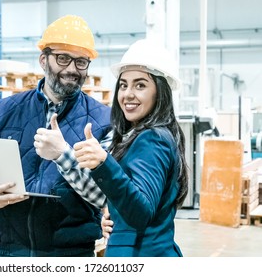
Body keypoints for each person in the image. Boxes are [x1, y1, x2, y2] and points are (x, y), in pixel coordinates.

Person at [0, 15, 112, 257]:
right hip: (4, 253)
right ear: (43, 60)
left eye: (81, 61)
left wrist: (64, 155)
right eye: (63, 58)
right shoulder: (5, 111)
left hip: (68, 255)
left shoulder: (103, 121)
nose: (72, 69)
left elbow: (105, 197)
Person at [72, 38, 189, 257]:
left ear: (160, 92)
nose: (128, 94)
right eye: (123, 85)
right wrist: (115, 215)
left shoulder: (153, 139)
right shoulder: (140, 135)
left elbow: (141, 212)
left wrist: (103, 164)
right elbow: (136, 201)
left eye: (140, 85)